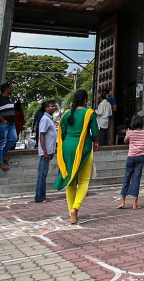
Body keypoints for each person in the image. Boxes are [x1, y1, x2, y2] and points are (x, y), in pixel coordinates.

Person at [53, 89, 99, 224]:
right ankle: (75, 208)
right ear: (85, 100)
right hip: (83, 147)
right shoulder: (89, 113)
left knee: (70, 180)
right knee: (84, 181)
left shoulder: (67, 114)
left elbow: (63, 132)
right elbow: (95, 132)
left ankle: (70, 213)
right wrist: (95, 141)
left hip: (67, 147)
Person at [117, 113, 144, 210]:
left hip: (131, 157)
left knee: (127, 177)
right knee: (136, 179)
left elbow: (125, 141)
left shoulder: (131, 133)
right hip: (140, 157)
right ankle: (134, 204)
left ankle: (122, 201)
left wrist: (127, 133)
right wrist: (143, 151)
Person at [34, 101, 58, 203]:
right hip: (46, 150)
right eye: (51, 106)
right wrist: (44, 151)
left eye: (54, 106)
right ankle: (40, 197)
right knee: (42, 173)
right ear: (46, 108)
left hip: (49, 149)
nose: (53, 108)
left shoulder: (49, 119)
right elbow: (42, 135)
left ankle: (41, 195)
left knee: (44, 173)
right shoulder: (45, 119)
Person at [0, 83, 17, 171]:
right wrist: (2, 120)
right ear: (7, 89)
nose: (11, 90)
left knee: (13, 139)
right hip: (4, 124)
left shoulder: (8, 99)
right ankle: (0, 162)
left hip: (11, 124)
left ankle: (1, 156)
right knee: (1, 142)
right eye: (10, 88)